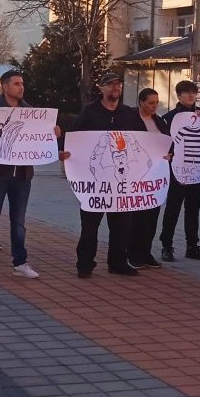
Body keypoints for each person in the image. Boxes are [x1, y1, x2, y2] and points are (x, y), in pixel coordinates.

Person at [62, 72, 146, 277]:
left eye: (118, 84)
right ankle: (85, 263)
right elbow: (73, 137)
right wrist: (64, 152)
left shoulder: (129, 114)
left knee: (122, 225)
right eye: (110, 84)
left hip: (121, 183)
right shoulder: (90, 112)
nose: (115, 87)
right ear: (101, 88)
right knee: (90, 225)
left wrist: (161, 154)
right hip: (97, 183)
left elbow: (144, 140)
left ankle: (117, 262)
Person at [0, 69, 52, 281]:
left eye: (22, 83)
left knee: (19, 222)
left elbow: (40, 137)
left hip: (21, 175)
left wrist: (53, 134)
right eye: (17, 84)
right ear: (6, 86)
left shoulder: (29, 111)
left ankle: (20, 262)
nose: (21, 87)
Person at [158, 80, 200, 262]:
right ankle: (166, 245)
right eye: (186, 92)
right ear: (178, 95)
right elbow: (165, 145)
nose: (191, 96)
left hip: (197, 171)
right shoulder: (169, 118)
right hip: (176, 172)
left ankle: (192, 245)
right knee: (172, 209)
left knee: (193, 209)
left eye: (193, 92)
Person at [127, 88, 169, 269]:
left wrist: (169, 155)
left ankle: (146, 252)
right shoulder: (130, 119)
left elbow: (167, 143)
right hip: (136, 175)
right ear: (141, 102)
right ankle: (133, 254)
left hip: (155, 176)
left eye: (156, 103)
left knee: (152, 215)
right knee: (137, 217)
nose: (154, 106)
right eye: (151, 103)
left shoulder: (159, 121)